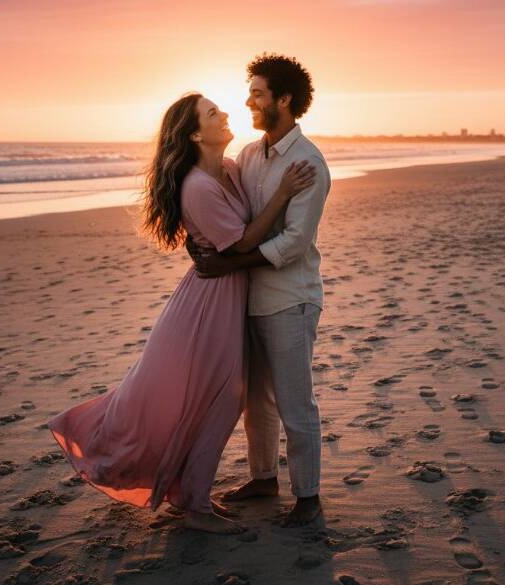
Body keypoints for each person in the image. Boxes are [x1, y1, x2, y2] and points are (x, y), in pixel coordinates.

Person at [46, 92, 316, 534]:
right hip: (209, 303)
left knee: (223, 398)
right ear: (195, 133)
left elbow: (246, 226)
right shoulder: (198, 187)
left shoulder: (229, 169)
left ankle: (191, 495)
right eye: (213, 113)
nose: (226, 113)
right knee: (219, 396)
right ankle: (194, 506)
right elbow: (243, 242)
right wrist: (285, 190)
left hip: (229, 295)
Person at [186, 53, 332, 527]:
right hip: (248, 298)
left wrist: (228, 262)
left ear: (283, 100)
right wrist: (198, 236)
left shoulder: (308, 163)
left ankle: (308, 499)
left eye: (258, 93)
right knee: (257, 401)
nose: (248, 101)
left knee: (295, 401)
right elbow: (232, 214)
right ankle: (264, 477)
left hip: (291, 297)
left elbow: (293, 243)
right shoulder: (248, 156)